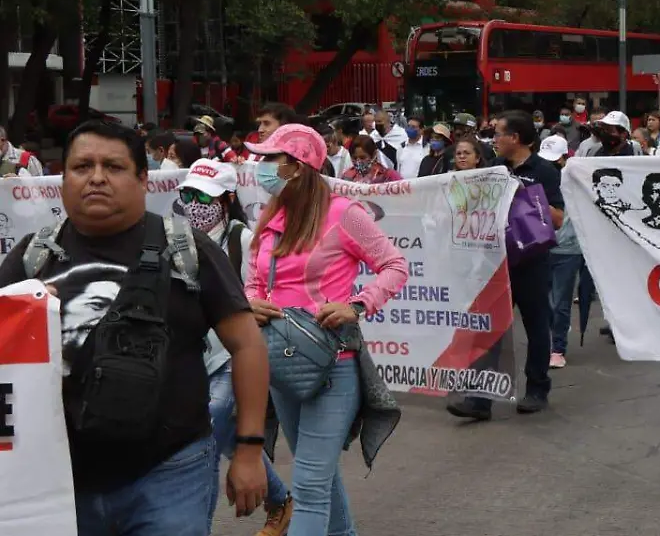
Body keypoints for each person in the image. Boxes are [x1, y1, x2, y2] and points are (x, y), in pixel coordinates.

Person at [0, 121, 270, 536]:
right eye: (81, 166)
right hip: (60, 481)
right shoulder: (31, 259)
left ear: (143, 179)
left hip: (170, 472)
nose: (96, 178)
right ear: (63, 178)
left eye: (113, 166)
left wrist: (249, 450)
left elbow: (247, 345)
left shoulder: (188, 250)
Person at [243, 124, 406, 536]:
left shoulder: (343, 213)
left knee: (310, 487)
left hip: (332, 365)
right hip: (279, 363)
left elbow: (394, 266)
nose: (260, 167)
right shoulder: (270, 216)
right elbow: (254, 281)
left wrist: (357, 305)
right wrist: (251, 304)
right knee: (318, 475)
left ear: (295, 167)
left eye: (269, 159)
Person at [178, 160, 294, 535]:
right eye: (188, 194)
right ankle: (281, 501)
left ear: (227, 199)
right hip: (193, 356)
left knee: (207, 437)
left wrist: (247, 305)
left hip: (233, 355)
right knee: (227, 436)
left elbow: (262, 291)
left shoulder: (243, 239)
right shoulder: (174, 237)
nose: (195, 203)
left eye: (204, 197)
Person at [447, 110, 564, 419]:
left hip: (532, 262)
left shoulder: (545, 171)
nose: (494, 139)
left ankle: (537, 389)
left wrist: (524, 194)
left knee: (536, 326)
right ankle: (479, 399)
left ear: (515, 138)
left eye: (498, 134)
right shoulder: (495, 167)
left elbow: (558, 220)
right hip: (496, 260)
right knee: (489, 328)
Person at [539, 135, 578, 369]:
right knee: (544, 302)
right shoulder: (541, 176)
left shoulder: (574, 178)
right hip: (543, 246)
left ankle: (558, 348)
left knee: (561, 301)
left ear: (565, 158)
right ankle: (552, 337)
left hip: (569, 249)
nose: (551, 165)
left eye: (556, 161)